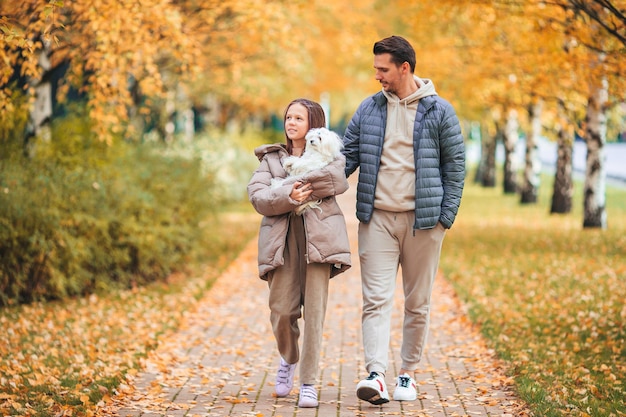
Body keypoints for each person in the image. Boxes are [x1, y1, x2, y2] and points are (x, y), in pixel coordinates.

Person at [342, 35, 465, 404]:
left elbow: (455, 166)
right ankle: (376, 374)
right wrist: (309, 181)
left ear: (404, 67)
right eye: (376, 68)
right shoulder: (369, 109)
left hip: (424, 222)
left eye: (383, 69)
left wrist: (445, 217)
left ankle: (407, 374)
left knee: (417, 303)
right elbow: (346, 157)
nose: (377, 75)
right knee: (375, 300)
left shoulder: (439, 111)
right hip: (377, 218)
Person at [247, 98, 351, 408]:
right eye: (289, 117)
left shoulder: (328, 154)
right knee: (282, 311)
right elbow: (258, 196)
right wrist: (288, 194)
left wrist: (292, 184)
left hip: (319, 240)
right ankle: (288, 359)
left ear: (313, 124)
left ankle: (308, 382)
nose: (291, 123)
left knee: (315, 315)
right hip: (282, 240)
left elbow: (336, 180)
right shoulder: (270, 159)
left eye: (299, 118)